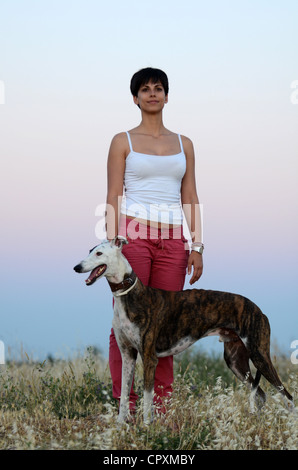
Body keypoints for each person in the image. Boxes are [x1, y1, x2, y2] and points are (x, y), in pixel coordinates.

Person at [105, 67, 203, 414]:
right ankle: (126, 407)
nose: (151, 93)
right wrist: (112, 246)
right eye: (144, 89)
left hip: (174, 242)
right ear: (135, 98)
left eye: (158, 88)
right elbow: (114, 194)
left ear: (165, 95)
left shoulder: (184, 143)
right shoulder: (123, 141)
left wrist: (197, 245)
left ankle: (161, 410)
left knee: (166, 325)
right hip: (134, 239)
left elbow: (189, 194)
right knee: (127, 325)